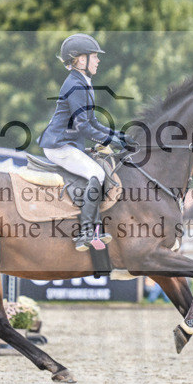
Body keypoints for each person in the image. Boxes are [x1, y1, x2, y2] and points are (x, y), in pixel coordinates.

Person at [37, 34, 136, 251]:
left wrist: (119, 135)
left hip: (67, 143)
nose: (98, 60)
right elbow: (84, 127)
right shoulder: (76, 85)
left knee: (103, 167)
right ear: (81, 60)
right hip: (59, 146)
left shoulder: (83, 82)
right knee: (97, 174)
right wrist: (112, 140)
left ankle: (96, 226)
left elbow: (93, 122)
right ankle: (84, 233)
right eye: (94, 57)